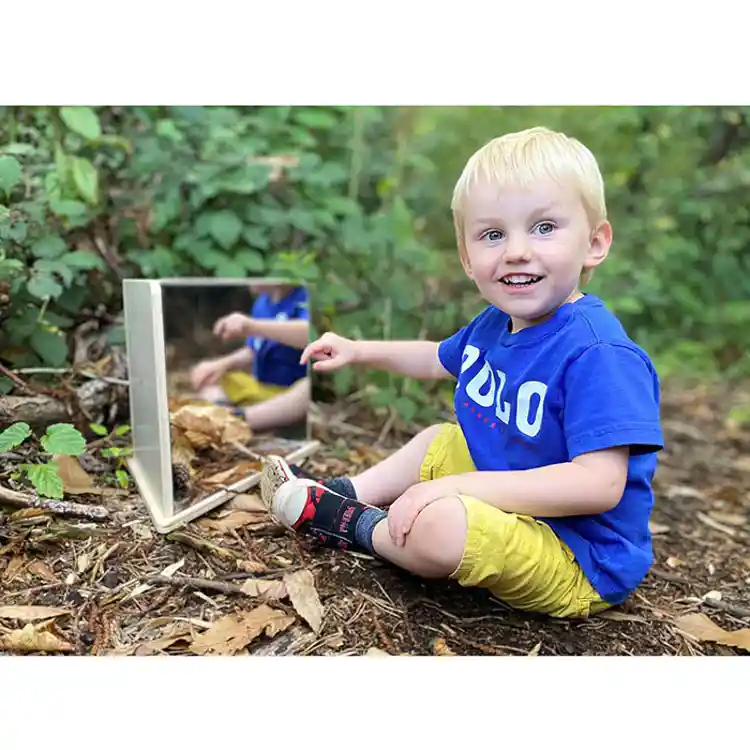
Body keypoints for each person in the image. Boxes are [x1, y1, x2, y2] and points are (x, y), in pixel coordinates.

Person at [260, 127, 664, 620]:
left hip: (578, 556)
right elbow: (437, 358)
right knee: (439, 440)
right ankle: (346, 493)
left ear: (595, 243)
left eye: (544, 227)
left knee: (442, 526)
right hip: (516, 502)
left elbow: (597, 485)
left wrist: (456, 488)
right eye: (493, 235)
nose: (516, 251)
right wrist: (358, 349)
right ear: (467, 258)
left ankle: (355, 525)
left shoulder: (599, 353)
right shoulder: (496, 324)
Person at [189, 284, 311, 432]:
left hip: (290, 392)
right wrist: (223, 364)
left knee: (307, 388)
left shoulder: (304, 298)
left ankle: (240, 420)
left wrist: (251, 326)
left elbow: (309, 334)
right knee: (210, 377)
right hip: (261, 387)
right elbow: (254, 350)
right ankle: (224, 413)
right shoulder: (261, 303)